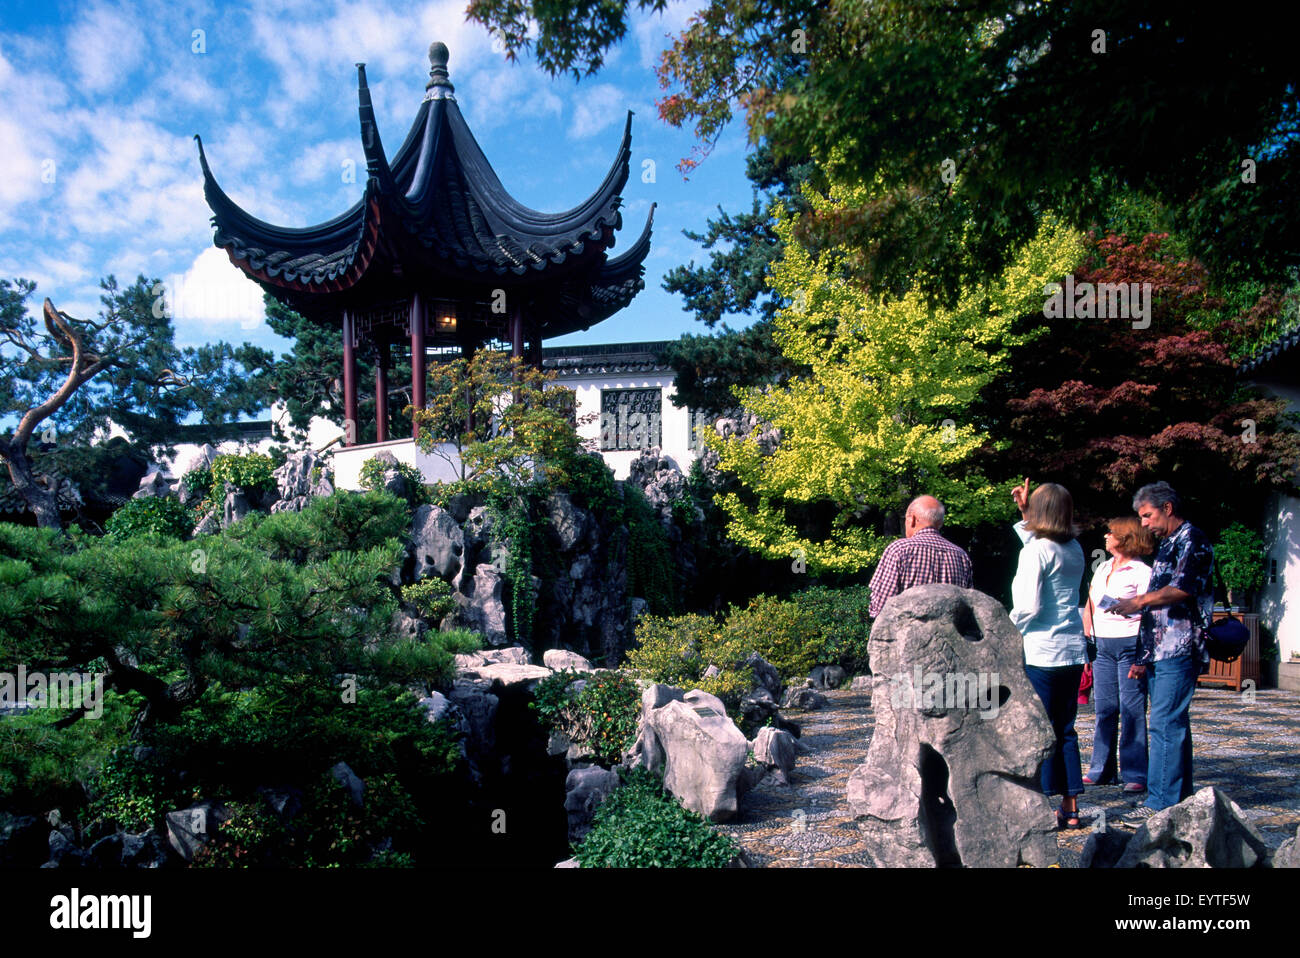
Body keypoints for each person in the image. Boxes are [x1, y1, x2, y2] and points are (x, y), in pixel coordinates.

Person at [1111, 482, 1213, 826]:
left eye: (1148, 516)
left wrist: (1137, 601)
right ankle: (1178, 801)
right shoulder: (1171, 543)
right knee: (1171, 724)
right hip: (1161, 648)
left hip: (1179, 647)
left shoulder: (1192, 539)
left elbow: (1182, 589)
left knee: (1165, 725)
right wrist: (1143, 655)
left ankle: (1160, 806)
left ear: (1167, 508)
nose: (1144, 525)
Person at [1009, 479, 1088, 829]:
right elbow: (1042, 545)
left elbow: (1027, 605)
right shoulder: (1075, 549)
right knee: (1064, 728)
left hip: (1041, 650)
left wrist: (1007, 628)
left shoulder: (1035, 552)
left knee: (1038, 729)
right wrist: (1027, 512)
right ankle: (1070, 808)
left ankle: (1037, 804)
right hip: (1071, 649)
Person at [1082, 516, 1155, 793]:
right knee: (1105, 708)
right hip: (1102, 644)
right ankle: (1101, 769)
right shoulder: (1102, 567)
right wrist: (1087, 638)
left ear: (1124, 538)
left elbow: (1151, 614)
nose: (1105, 537)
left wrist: (1142, 657)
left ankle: (1135, 773)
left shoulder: (1141, 572)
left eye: (1110, 533)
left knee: (1132, 709)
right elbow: (1090, 602)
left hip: (1129, 643)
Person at [868, 495, 974, 618]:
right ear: (940, 523)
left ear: (912, 519)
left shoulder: (899, 550)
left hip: (904, 633)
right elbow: (969, 604)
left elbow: (881, 605)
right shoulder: (961, 556)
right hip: (949, 635)